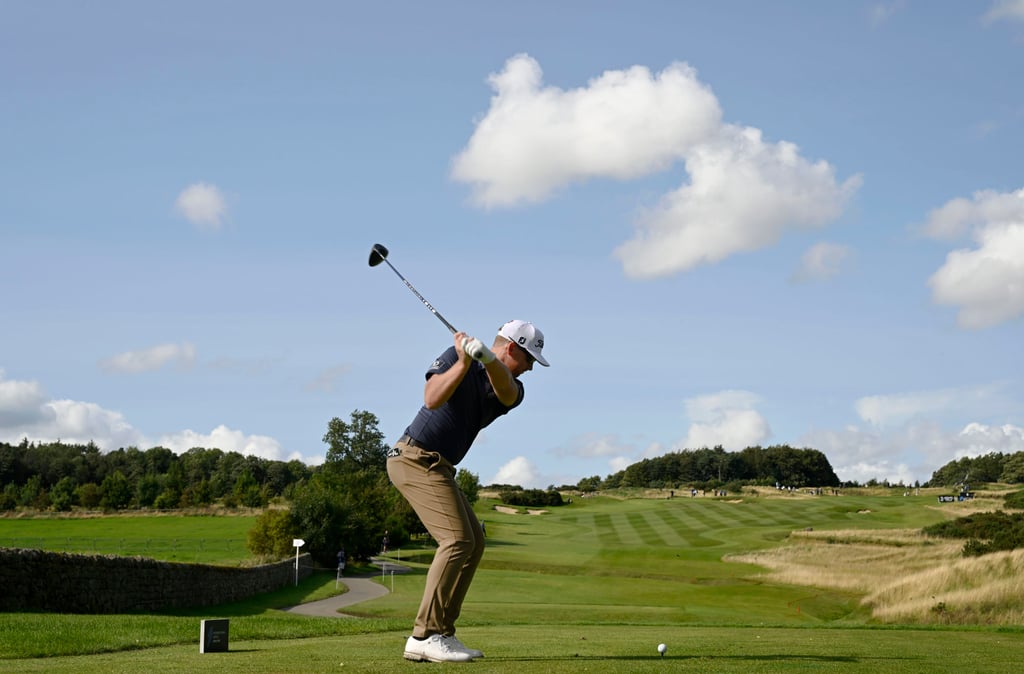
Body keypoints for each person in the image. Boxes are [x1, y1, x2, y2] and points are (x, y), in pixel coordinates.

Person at [387, 319, 549, 663]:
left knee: (474, 541)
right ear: (513, 348)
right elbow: (432, 399)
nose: (531, 369)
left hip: (440, 467)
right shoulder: (455, 356)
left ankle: (443, 632)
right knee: (457, 540)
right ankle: (424, 635)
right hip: (414, 458)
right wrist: (463, 361)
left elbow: (506, 391)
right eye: (529, 360)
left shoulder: (512, 386)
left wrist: (487, 359)